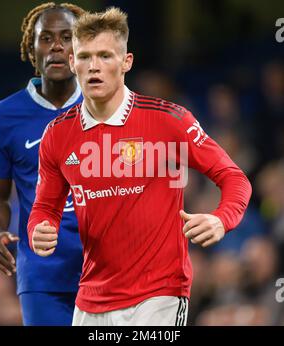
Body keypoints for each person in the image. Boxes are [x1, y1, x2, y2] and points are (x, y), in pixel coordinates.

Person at [27, 8, 252, 326]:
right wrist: (39, 230)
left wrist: (221, 219)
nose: (94, 67)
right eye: (85, 56)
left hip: (159, 295)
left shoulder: (168, 120)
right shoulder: (57, 134)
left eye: (105, 56)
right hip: (92, 299)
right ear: (73, 63)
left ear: (126, 62)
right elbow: (44, 209)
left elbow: (233, 177)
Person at [0, 3, 85, 326]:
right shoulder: (3, 116)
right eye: (46, 38)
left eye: (67, 37)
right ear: (31, 48)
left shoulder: (110, 106)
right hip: (42, 276)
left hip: (107, 269)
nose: (57, 46)